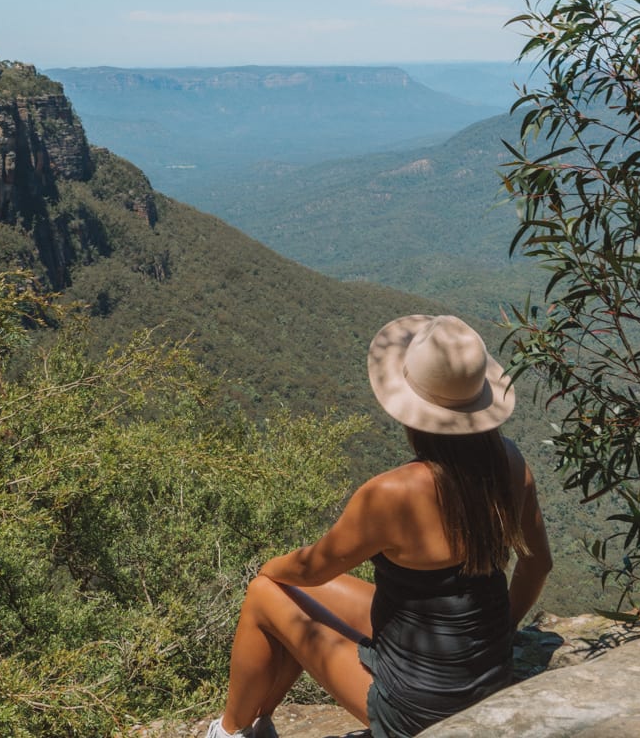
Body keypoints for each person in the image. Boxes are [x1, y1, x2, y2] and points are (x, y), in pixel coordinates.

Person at [206, 314, 552, 738]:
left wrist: (269, 568)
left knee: (265, 593)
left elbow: (312, 568)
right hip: (487, 677)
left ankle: (228, 731)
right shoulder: (511, 464)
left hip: (413, 710)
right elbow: (538, 566)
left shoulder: (392, 494)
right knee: (303, 596)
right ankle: (257, 726)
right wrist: (497, 637)